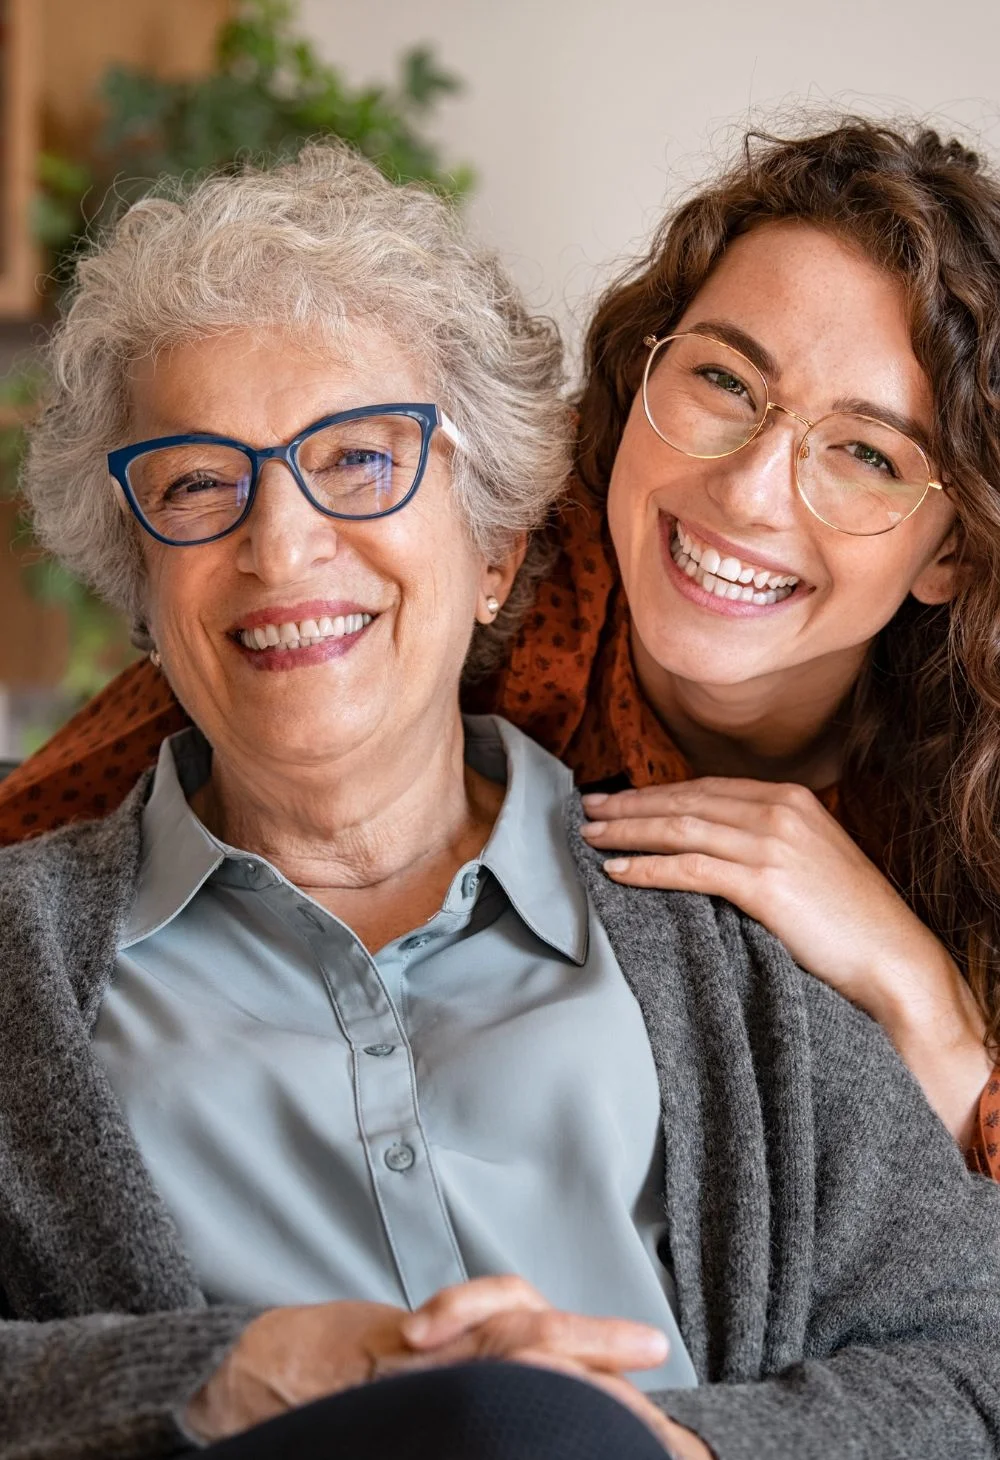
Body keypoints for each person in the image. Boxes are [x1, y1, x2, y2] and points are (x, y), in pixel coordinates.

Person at [1, 141, 999, 1460]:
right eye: (200, 483)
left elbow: (969, 1360)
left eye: (360, 460)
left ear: (497, 549)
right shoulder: (27, 952)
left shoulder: (746, 953)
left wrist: (928, 1009)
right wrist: (228, 1371)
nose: (283, 543)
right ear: (137, 580)